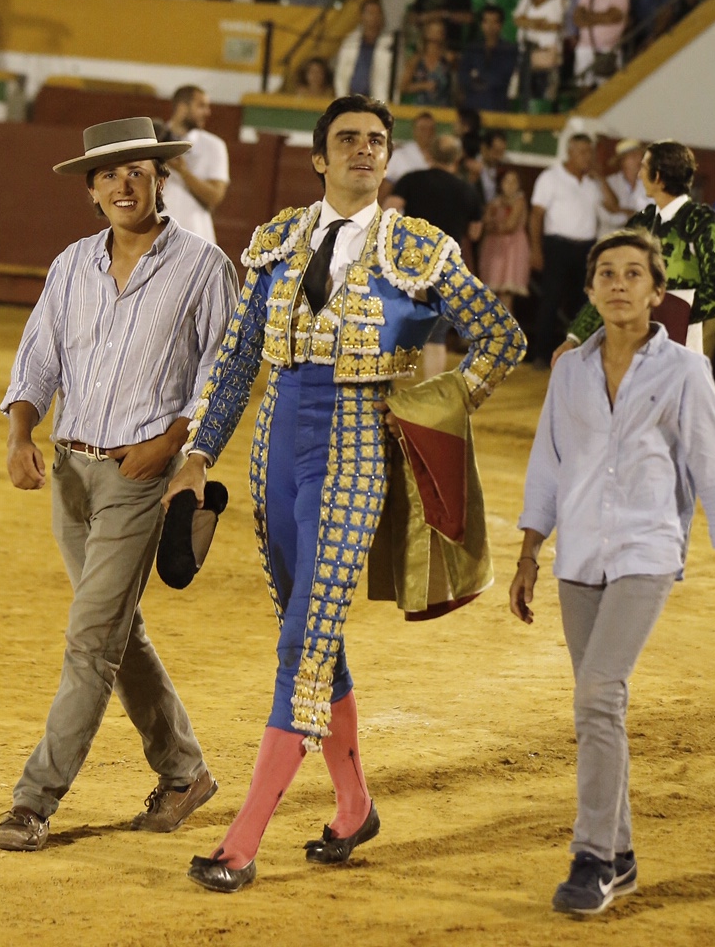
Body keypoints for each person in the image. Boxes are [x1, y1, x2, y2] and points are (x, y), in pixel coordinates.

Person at [164, 95, 525, 892]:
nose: (364, 150)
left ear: (387, 158)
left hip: (358, 453)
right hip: (274, 456)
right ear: (320, 158)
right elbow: (234, 363)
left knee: (304, 641)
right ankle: (354, 804)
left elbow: (502, 339)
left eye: (376, 142)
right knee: (313, 636)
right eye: (348, 140)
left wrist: (432, 404)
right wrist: (197, 454)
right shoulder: (279, 240)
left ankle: (242, 841)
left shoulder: (419, 249)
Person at [0, 116, 238, 852]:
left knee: (90, 640)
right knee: (114, 633)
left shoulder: (203, 266)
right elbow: (37, 357)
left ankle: (33, 802)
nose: (123, 183)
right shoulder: (71, 265)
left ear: (160, 178)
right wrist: (19, 432)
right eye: (109, 174)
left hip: (140, 476)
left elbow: (222, 376)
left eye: (138, 169)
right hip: (71, 471)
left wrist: (169, 446)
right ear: (91, 190)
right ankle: (184, 771)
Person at [510, 226, 715, 917]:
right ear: (590, 291)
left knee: (597, 694)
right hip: (578, 556)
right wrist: (529, 553)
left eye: (633, 274)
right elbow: (547, 467)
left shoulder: (685, 371)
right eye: (607, 274)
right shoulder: (569, 371)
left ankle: (590, 858)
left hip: (648, 552)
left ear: (655, 291)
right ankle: (620, 855)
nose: (619, 284)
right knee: (599, 705)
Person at [559, 139, 715, 361]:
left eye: (643, 167)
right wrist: (575, 337)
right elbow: (613, 284)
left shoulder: (701, 222)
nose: (640, 175)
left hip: (682, 341)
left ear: (658, 177)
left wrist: (672, 312)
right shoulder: (642, 222)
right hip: (636, 335)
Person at [386, 133, 485, 375]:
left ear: (429, 154)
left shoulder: (411, 179)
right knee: (436, 336)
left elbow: (390, 207)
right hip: (446, 266)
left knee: (395, 324)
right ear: (458, 158)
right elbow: (474, 232)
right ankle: (431, 398)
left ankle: (382, 386)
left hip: (411, 260)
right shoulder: (468, 190)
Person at [528, 133, 611, 367]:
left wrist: (601, 178)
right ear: (570, 153)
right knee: (550, 300)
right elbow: (536, 215)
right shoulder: (550, 178)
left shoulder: (592, 182)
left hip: (586, 248)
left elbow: (612, 206)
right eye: (583, 152)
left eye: (590, 152)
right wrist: (536, 249)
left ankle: (578, 356)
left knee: (582, 302)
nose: (588, 157)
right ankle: (543, 355)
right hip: (557, 245)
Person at [162, 86, 231, 245]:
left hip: (195, 236)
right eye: (201, 106)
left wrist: (183, 171)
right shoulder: (153, 139)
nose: (208, 112)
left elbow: (214, 197)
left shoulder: (214, 145)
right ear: (182, 107)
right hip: (155, 234)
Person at [571, 0, 630, 88]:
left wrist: (589, 16)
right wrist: (601, 16)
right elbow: (578, 19)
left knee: (608, 92)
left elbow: (612, 17)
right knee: (583, 90)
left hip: (609, 51)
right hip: (585, 49)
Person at [513, 0, 565, 108]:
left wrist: (529, 22)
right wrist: (539, 23)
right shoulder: (526, 0)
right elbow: (518, 20)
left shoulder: (559, 1)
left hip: (546, 53)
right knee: (522, 93)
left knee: (543, 95)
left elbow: (554, 26)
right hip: (526, 52)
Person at [479, 167, 530, 313]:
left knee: (506, 295)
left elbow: (510, 225)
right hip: (494, 248)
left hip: (512, 249)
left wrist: (494, 226)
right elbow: (485, 223)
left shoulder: (519, 201)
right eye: (507, 181)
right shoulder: (494, 202)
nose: (510, 185)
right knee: (490, 294)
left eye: (514, 182)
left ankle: (505, 332)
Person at [458, 5, 518, 112]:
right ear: (481, 24)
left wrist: (479, 79)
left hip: (496, 102)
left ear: (501, 25)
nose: (490, 26)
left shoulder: (509, 50)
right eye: (486, 22)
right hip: (472, 103)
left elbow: (504, 75)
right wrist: (474, 82)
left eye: (494, 22)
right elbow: (463, 74)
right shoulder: (472, 49)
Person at [333, 0, 395, 101]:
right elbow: (341, 75)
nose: (374, 17)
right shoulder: (349, 42)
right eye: (370, 13)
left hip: (378, 100)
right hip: (351, 99)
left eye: (377, 13)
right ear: (362, 16)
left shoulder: (390, 43)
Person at [597, 138, 648, 237]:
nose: (639, 160)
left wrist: (618, 209)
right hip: (610, 240)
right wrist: (632, 214)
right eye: (633, 156)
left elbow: (649, 217)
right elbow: (608, 218)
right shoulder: (609, 183)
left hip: (636, 242)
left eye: (640, 156)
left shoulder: (648, 185)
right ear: (622, 161)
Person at [398, 18, 454, 107]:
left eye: (440, 31)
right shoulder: (416, 60)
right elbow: (403, 87)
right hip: (419, 108)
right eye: (433, 30)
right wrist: (423, 86)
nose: (436, 34)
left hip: (443, 110)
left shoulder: (448, 59)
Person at [383, 110, 437, 186]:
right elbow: (386, 184)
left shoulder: (440, 157)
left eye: (430, 129)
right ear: (414, 130)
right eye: (423, 129)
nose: (427, 133)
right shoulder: (400, 155)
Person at [479, 127, 508, 204]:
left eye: (502, 152)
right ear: (484, 148)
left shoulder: (504, 169)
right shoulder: (472, 167)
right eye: (496, 151)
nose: (499, 157)